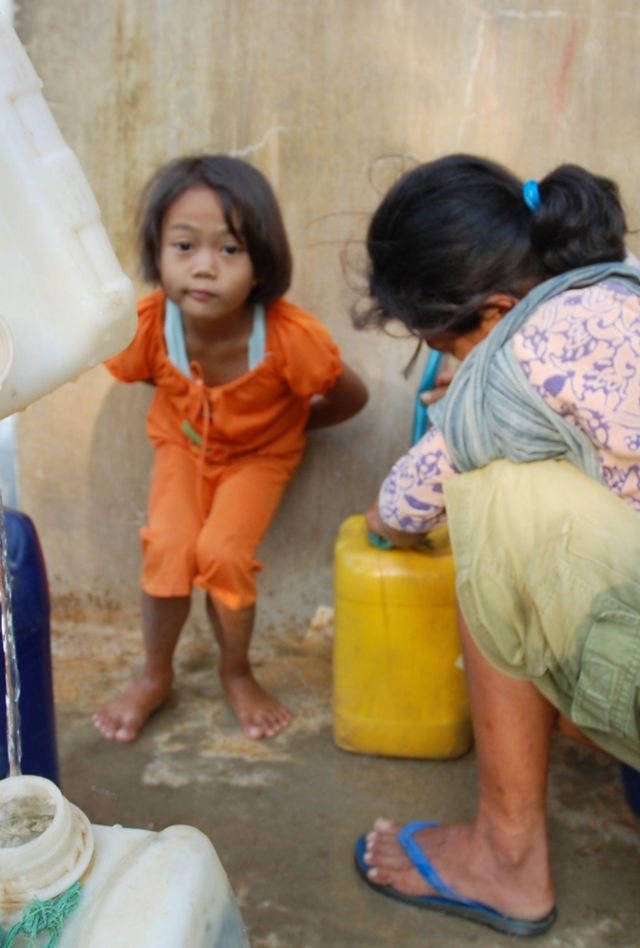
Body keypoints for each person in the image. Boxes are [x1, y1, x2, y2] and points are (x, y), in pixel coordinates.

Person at [352, 154, 640, 936]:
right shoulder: (620, 282)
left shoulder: (514, 365)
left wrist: (473, 413)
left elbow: (402, 509)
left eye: (445, 348)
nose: (451, 368)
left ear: (499, 308)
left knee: (490, 511)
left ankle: (505, 859)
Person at [93, 154, 368, 743]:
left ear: (262, 262)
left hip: (261, 459)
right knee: (168, 547)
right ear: (157, 252)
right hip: (182, 448)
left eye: (230, 250)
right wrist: (194, 411)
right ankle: (154, 676)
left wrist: (287, 428)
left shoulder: (291, 339)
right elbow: (147, 373)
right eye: (185, 246)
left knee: (222, 554)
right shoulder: (147, 327)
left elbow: (349, 397)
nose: (205, 268)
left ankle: (236, 671)